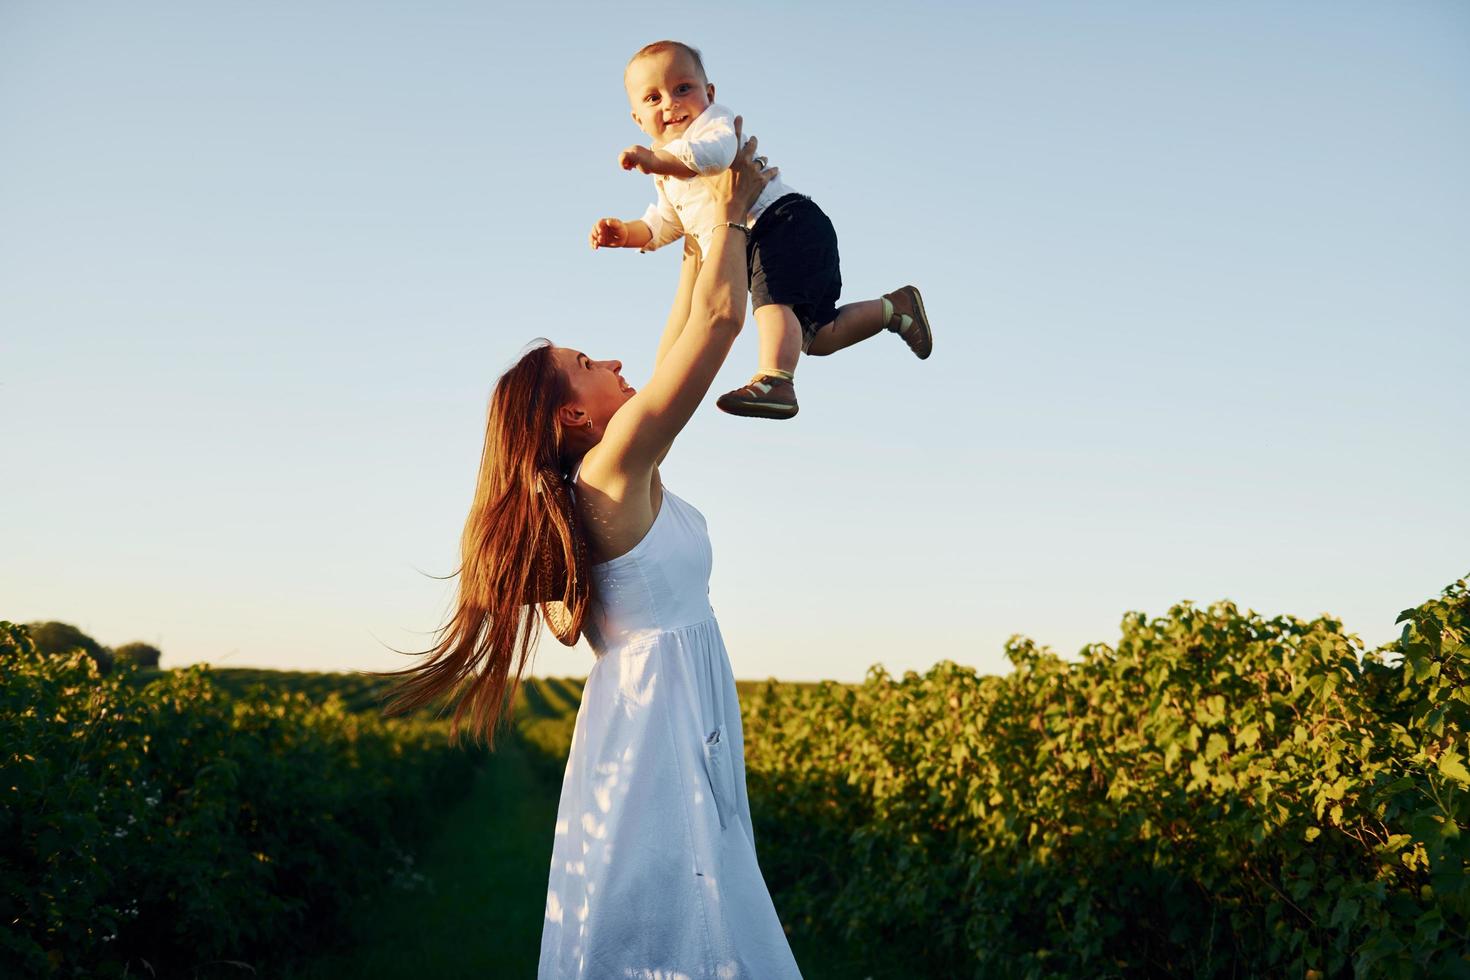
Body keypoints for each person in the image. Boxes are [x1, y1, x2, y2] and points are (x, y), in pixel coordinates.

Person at [384, 120, 803, 978]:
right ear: (574, 416)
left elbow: (688, 321)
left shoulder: (611, 472)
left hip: (660, 709)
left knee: (685, 919)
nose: (613, 359)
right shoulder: (612, 474)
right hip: (662, 725)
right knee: (684, 926)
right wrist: (731, 210)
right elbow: (722, 323)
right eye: (586, 363)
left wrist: (690, 225)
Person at [589, 39, 933, 420]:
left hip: (781, 221)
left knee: (772, 304)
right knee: (817, 336)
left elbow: (717, 156)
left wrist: (657, 161)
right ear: (637, 118)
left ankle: (776, 380)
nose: (670, 103)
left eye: (683, 88)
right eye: (653, 98)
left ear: (709, 93)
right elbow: (666, 223)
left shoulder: (712, 124)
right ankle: (893, 309)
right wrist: (627, 233)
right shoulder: (665, 173)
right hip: (767, 235)